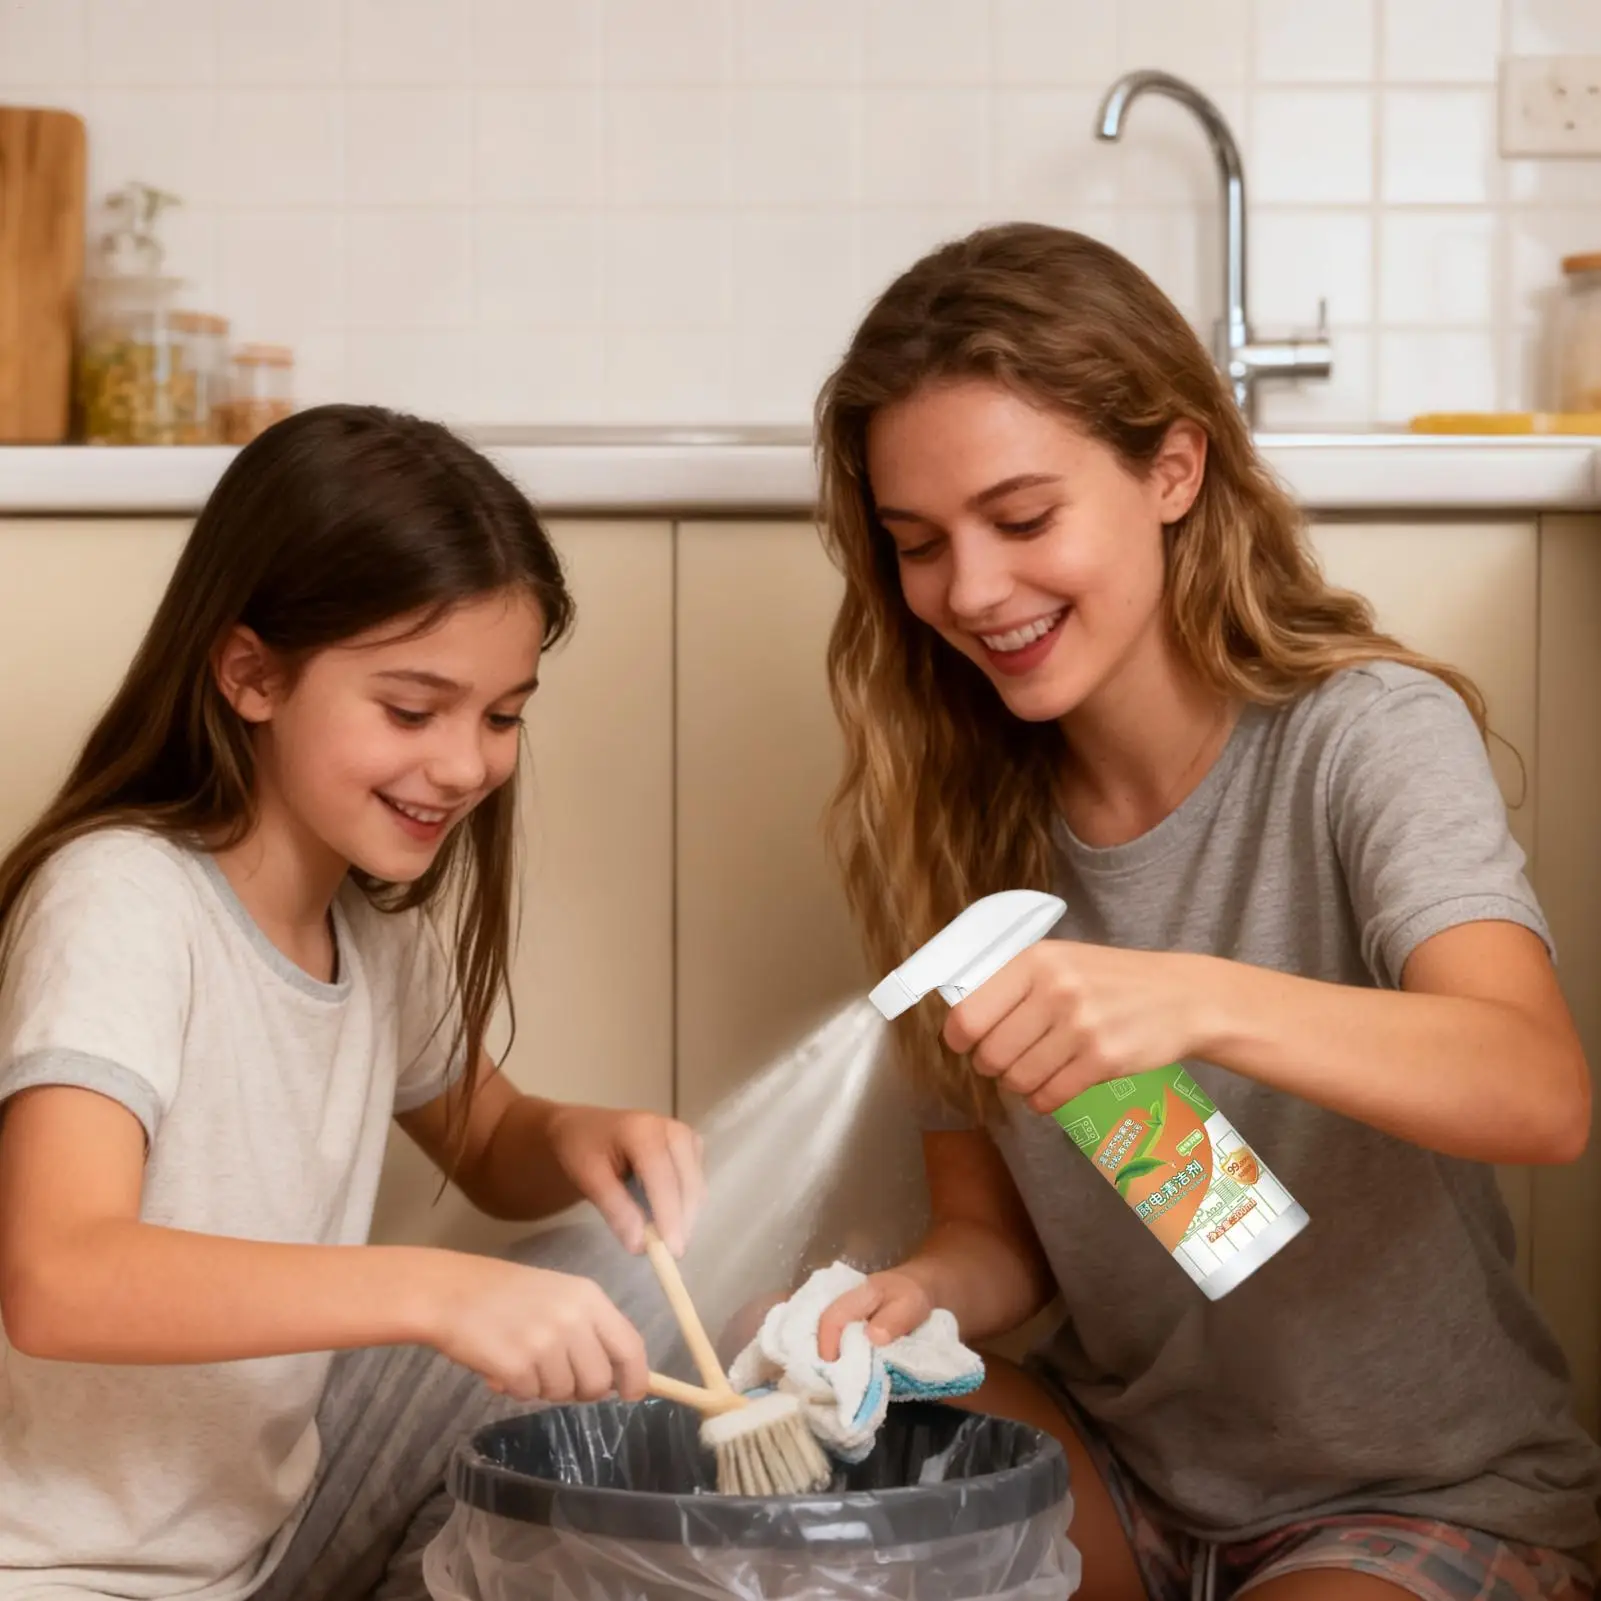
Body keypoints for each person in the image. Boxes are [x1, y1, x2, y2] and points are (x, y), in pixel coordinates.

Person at [811, 223, 1601, 1601]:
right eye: (917, 543)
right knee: (804, 1486)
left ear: (1172, 468)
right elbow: (999, 1238)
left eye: (1022, 517)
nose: (972, 590)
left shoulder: (1364, 738)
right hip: (1127, 1471)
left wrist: (1195, 999)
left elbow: (1537, 1090)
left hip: (1413, 1495)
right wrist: (907, 1305)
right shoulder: (949, 830)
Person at [0, 405, 703, 1600]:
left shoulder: (372, 928)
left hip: (267, 1539)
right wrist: (433, 1288)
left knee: (618, 1289)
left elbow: (487, 1137)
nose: (466, 764)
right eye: (412, 709)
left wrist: (578, 1137)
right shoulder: (120, 898)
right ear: (251, 672)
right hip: (66, 1568)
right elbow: (57, 1275)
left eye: (502, 714)